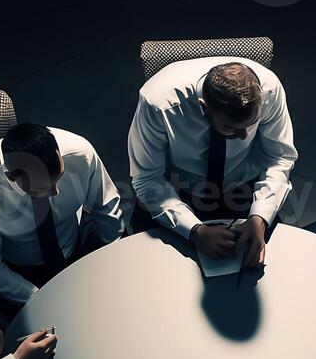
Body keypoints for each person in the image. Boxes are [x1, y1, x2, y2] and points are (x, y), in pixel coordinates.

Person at [127, 58, 297, 269]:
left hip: (244, 188)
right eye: (231, 127)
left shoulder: (269, 90)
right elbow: (146, 178)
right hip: (178, 191)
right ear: (204, 107)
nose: (244, 136)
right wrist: (194, 230)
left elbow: (279, 157)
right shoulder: (158, 103)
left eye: (250, 125)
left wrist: (260, 216)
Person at [0, 122, 125, 307]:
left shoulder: (80, 154)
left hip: (75, 242)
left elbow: (105, 206)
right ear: (12, 177)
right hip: (22, 272)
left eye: (59, 177)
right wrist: (39, 299)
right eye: (42, 189)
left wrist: (115, 256)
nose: (55, 192)